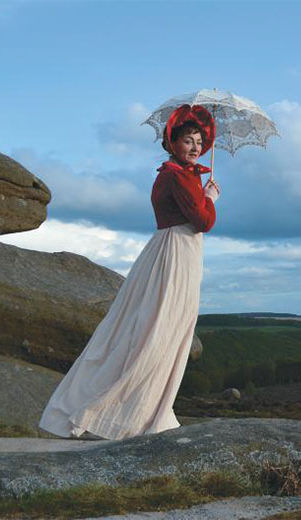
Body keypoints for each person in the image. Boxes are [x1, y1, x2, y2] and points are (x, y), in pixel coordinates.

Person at [38, 104, 221, 440]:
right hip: (175, 253)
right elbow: (203, 221)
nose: (195, 147)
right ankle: (119, 414)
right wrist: (209, 197)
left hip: (180, 251)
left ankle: (148, 409)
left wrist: (202, 191)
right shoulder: (175, 176)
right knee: (158, 330)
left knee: (166, 329)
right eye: (187, 141)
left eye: (198, 142)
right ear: (172, 144)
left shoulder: (179, 175)